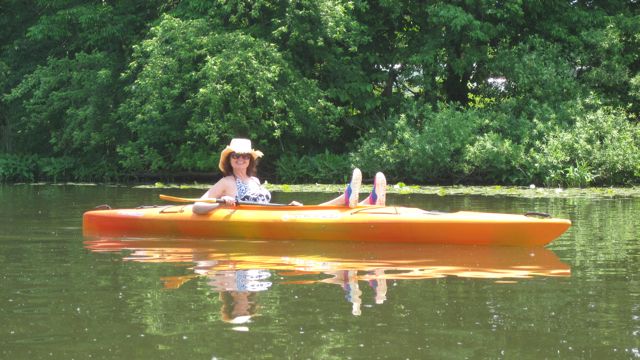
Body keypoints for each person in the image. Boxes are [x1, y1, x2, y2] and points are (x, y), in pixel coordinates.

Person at [194, 138, 386, 214]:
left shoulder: (254, 181)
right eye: (235, 156)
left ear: (249, 160)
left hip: (273, 215)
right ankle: (348, 198)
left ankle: (367, 201)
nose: (240, 159)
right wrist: (221, 201)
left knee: (307, 209)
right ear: (230, 160)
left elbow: (265, 206)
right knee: (314, 212)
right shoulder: (226, 182)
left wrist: (287, 206)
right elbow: (197, 206)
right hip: (256, 219)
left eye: (244, 156)